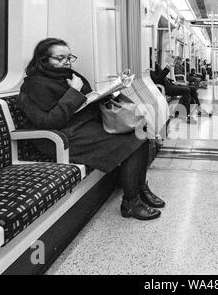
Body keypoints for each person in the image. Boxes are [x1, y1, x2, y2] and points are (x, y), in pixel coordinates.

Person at [19, 38, 165, 221]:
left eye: (68, 58)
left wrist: (108, 94)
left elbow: (86, 100)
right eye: (60, 58)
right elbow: (49, 122)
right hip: (61, 138)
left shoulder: (70, 77)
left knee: (140, 133)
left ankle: (140, 189)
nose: (66, 62)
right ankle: (131, 202)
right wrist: (74, 92)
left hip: (83, 129)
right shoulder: (32, 86)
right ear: (44, 60)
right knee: (134, 141)